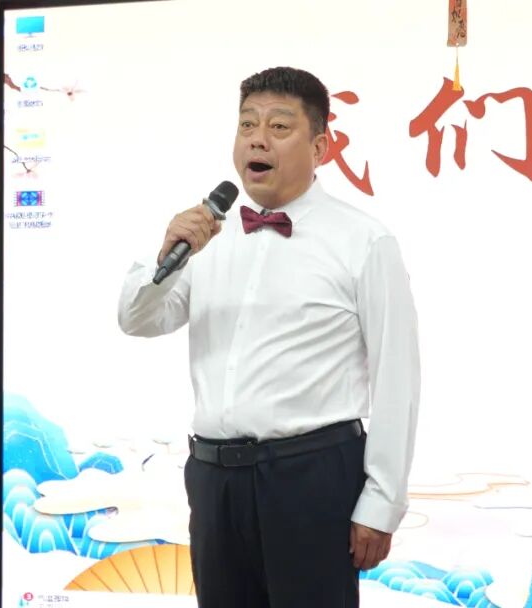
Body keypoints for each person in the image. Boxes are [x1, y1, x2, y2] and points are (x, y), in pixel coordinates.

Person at [117, 66, 420, 608]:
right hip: (213, 480)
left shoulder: (364, 241)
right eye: (246, 125)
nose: (257, 139)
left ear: (319, 146)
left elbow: (398, 377)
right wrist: (165, 253)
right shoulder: (206, 236)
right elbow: (137, 320)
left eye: (279, 126)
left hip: (312, 478)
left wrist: (382, 501)